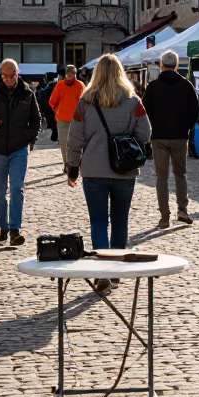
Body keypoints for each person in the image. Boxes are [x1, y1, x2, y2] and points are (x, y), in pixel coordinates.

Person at [66, 55, 151, 293]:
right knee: (120, 221)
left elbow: (75, 139)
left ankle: (102, 270)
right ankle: (115, 273)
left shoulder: (85, 101)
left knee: (99, 221)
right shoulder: (133, 101)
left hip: (93, 169)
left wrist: (72, 167)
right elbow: (146, 132)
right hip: (124, 169)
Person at [0, 59, 40, 247]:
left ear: (17, 73)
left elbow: (36, 119)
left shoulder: (27, 93)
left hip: (19, 148)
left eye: (12, 74)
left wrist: (29, 136)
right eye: (4, 75)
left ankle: (15, 230)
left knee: (16, 188)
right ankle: (3, 228)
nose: (9, 78)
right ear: (0, 75)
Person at [142, 50, 199, 228]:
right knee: (180, 174)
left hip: (159, 136)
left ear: (161, 65)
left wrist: (152, 127)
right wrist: (186, 127)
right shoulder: (186, 85)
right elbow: (195, 111)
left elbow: (144, 112)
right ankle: (182, 210)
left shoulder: (153, 87)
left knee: (162, 177)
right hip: (179, 137)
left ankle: (164, 216)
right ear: (176, 65)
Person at [49, 66, 84, 172]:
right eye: (66, 75)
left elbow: (85, 102)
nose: (68, 78)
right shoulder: (60, 85)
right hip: (63, 120)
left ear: (75, 75)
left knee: (77, 143)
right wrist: (58, 112)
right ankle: (67, 165)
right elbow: (52, 101)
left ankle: (76, 164)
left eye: (70, 75)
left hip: (77, 120)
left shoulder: (80, 85)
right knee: (64, 144)